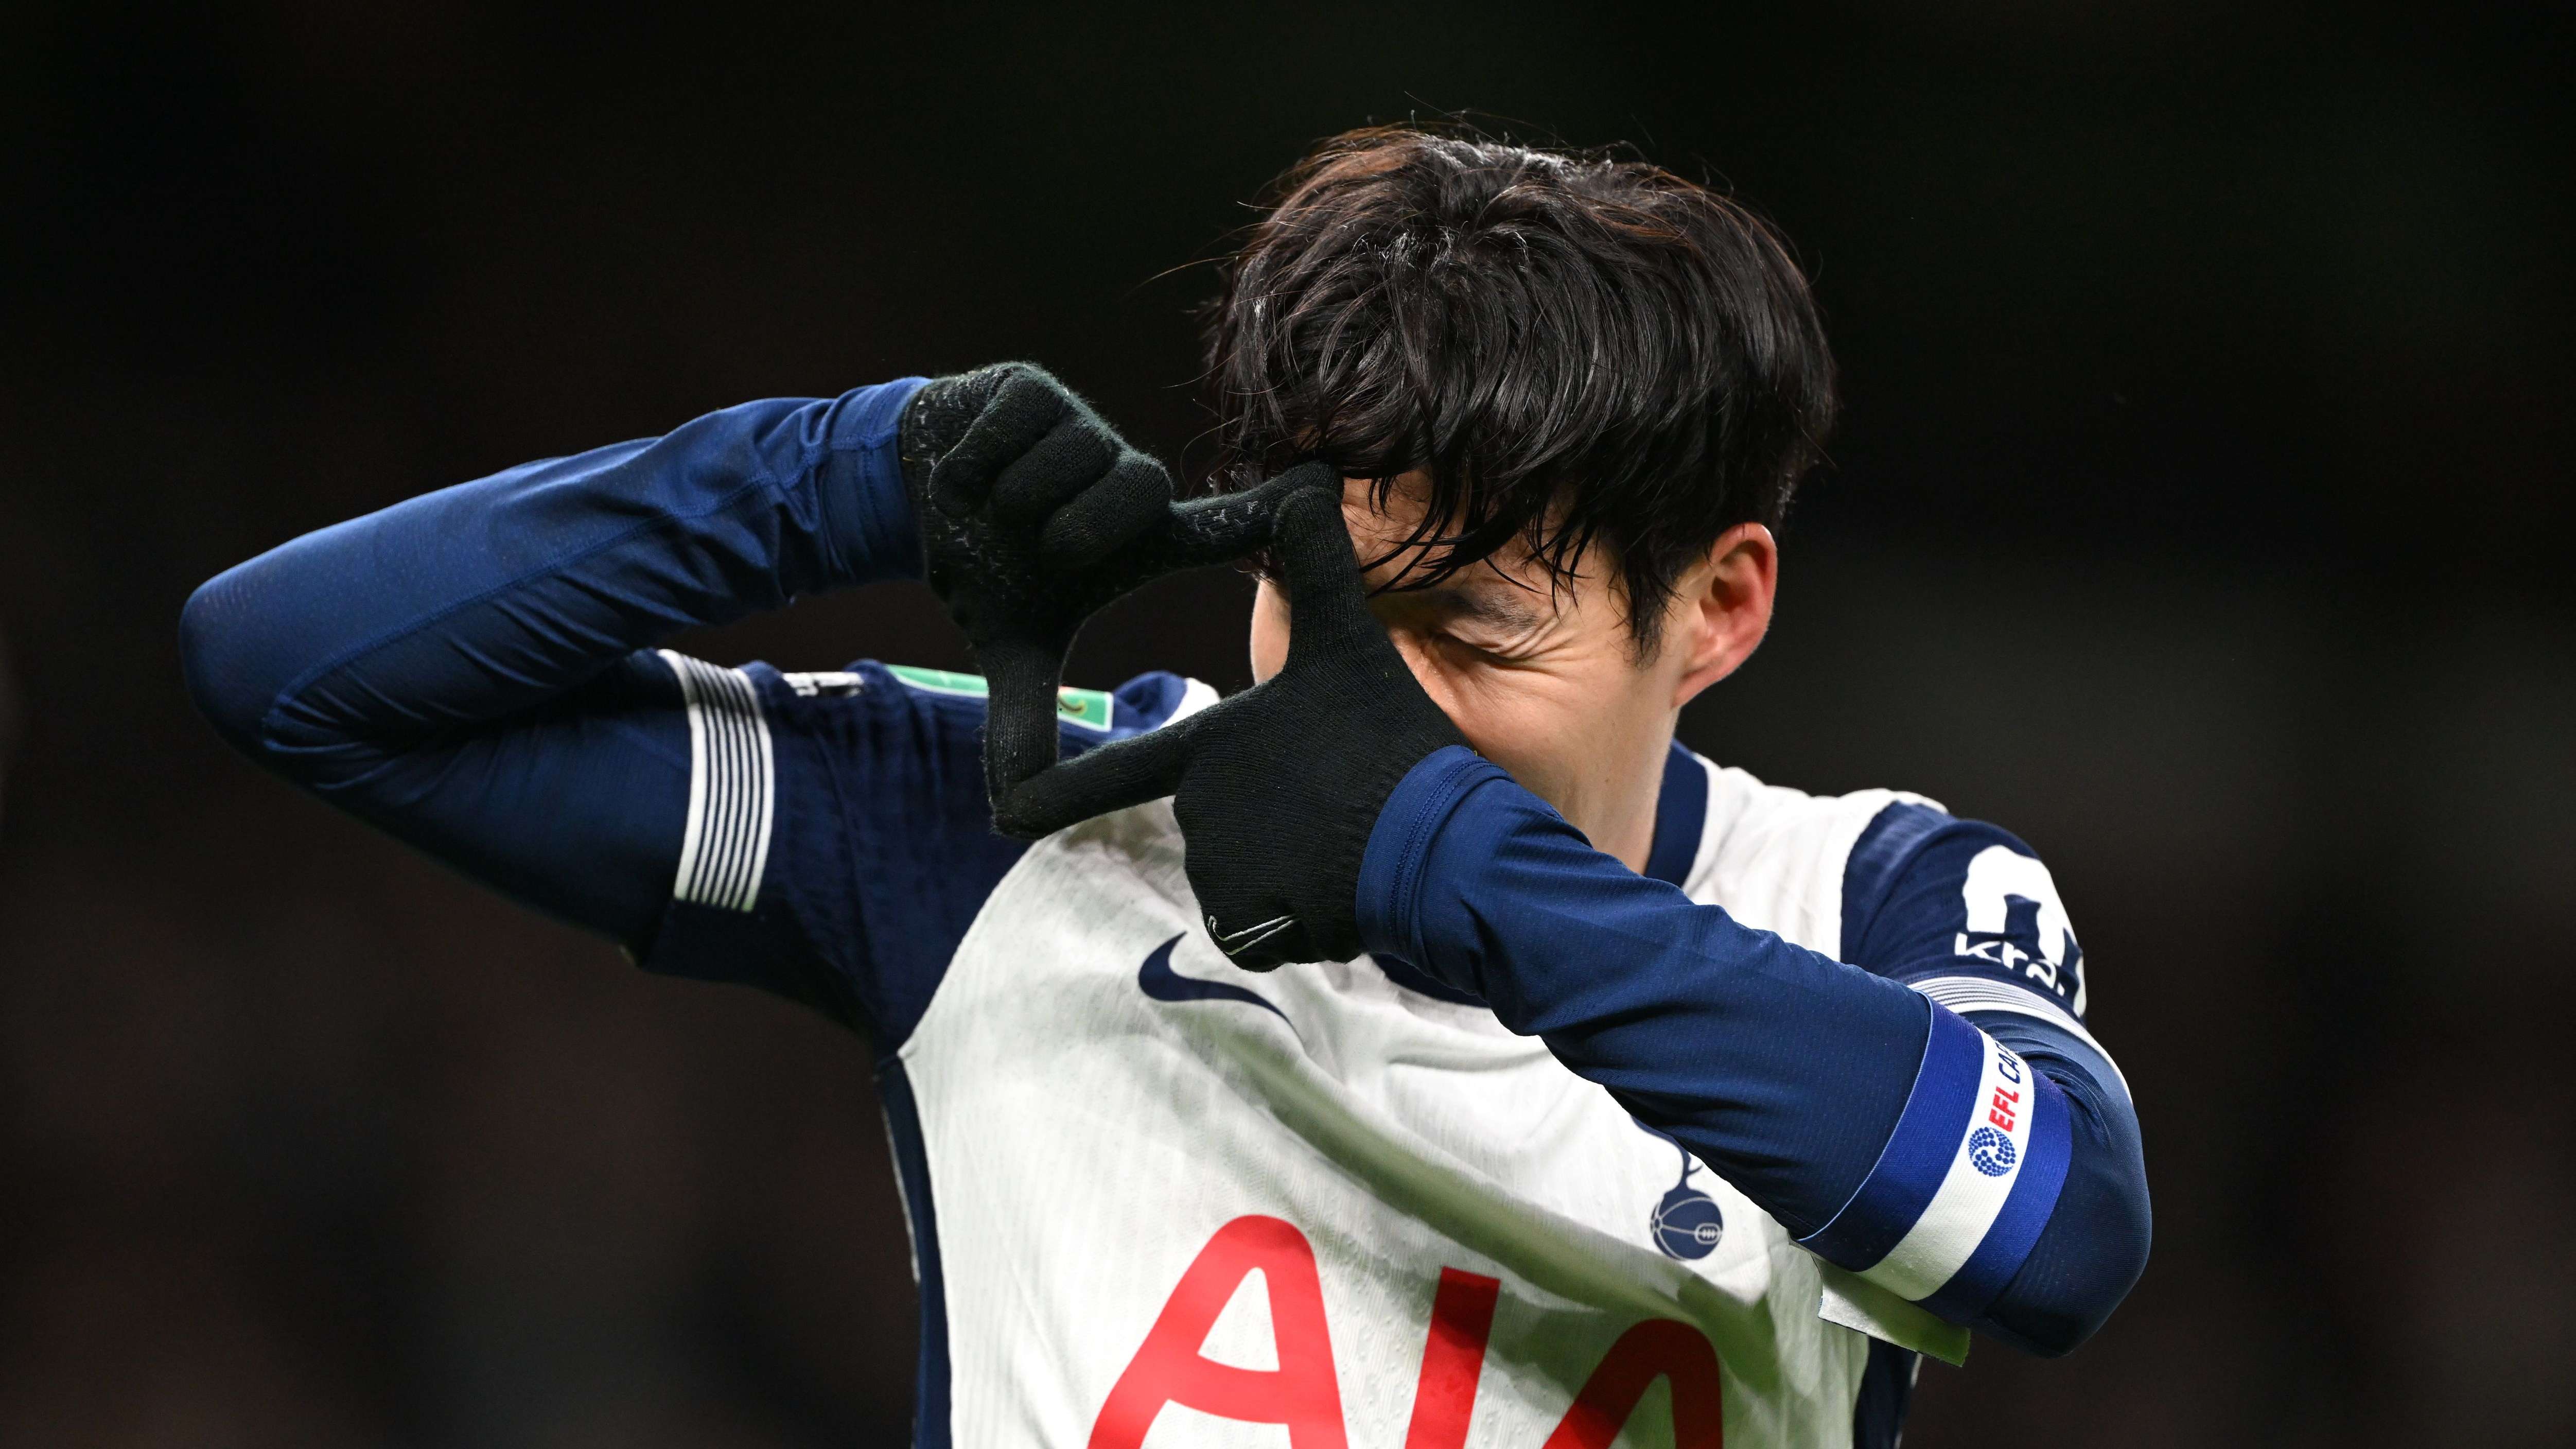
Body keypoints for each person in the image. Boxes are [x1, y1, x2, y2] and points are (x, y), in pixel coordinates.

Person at [182, 125, 2148, 1447]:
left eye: (1466, 634)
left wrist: (1449, 868)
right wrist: (825, 473)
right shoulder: (1031, 834)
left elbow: (2051, 1236)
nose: (1364, 705)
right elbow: (298, 675)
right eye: (1318, 607)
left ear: (1713, 611)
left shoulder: (1873, 897)